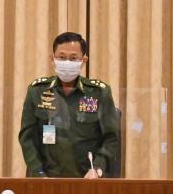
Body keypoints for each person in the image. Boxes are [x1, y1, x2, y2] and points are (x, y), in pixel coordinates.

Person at [18, 31, 121, 178]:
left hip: (88, 179)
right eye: (61, 57)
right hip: (44, 179)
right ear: (52, 58)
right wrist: (38, 173)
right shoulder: (37, 91)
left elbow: (111, 138)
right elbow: (27, 138)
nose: (67, 62)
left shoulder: (99, 93)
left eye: (73, 58)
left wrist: (97, 168)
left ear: (83, 60)